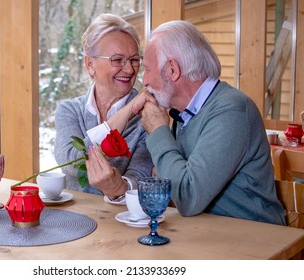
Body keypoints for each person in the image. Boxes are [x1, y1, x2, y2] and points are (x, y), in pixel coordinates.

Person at [127, 20, 285, 225]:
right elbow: (170, 180)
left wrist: (158, 130)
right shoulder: (183, 113)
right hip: (205, 233)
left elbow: (187, 196)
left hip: (254, 242)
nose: (144, 81)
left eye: (147, 70)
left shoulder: (232, 110)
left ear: (173, 70)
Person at [54, 14, 153, 202]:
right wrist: (127, 111)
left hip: (123, 221)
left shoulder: (148, 114)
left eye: (134, 60)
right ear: (90, 64)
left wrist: (119, 188)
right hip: (73, 219)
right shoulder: (69, 111)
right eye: (117, 60)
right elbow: (72, 163)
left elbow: (141, 175)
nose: (130, 69)